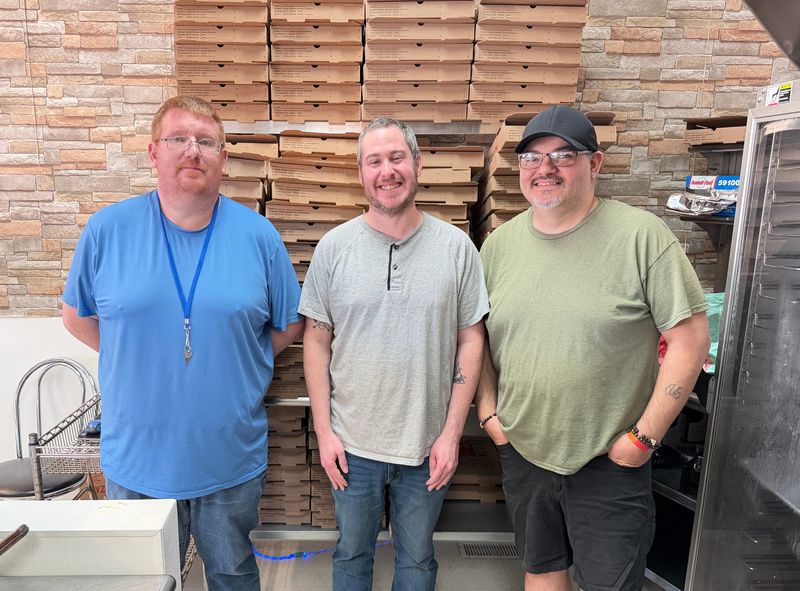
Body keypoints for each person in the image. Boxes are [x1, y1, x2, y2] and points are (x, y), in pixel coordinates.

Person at [62, 96, 304, 591]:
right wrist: (137, 353)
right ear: (154, 153)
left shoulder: (258, 236)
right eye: (178, 139)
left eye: (206, 142)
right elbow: (77, 317)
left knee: (234, 575)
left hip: (228, 460)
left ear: (223, 158)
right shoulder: (107, 231)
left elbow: (288, 324)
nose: (192, 150)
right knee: (146, 581)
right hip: (137, 462)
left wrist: (239, 358)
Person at [475, 105, 711, 591]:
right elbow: (479, 337)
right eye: (532, 158)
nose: (546, 169)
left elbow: (690, 341)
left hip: (610, 458)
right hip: (525, 449)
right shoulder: (498, 247)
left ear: (595, 164)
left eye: (564, 155)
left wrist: (643, 439)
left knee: (609, 582)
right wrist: (488, 413)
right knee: (542, 570)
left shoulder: (641, 238)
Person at [300, 117, 489, 591]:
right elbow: (316, 340)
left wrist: (450, 435)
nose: (387, 171)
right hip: (351, 446)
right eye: (374, 161)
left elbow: (471, 339)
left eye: (397, 157)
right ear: (361, 173)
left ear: (418, 164)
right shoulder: (334, 248)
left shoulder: (457, 249)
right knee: (351, 554)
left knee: (419, 559)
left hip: (426, 446)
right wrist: (324, 431)